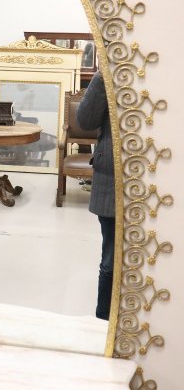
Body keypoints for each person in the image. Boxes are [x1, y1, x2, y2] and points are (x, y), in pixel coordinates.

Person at [76, 70, 115, 320]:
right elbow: (86, 120)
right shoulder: (109, 75)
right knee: (111, 259)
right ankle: (103, 326)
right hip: (112, 179)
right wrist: (103, 77)